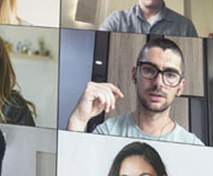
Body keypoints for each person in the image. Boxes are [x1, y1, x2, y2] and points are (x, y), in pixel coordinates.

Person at [66, 37, 203, 145]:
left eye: (170, 75)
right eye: (149, 70)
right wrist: (78, 120)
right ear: (134, 75)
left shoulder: (193, 146)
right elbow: (73, 172)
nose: (158, 83)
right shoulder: (106, 132)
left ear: (180, 87)